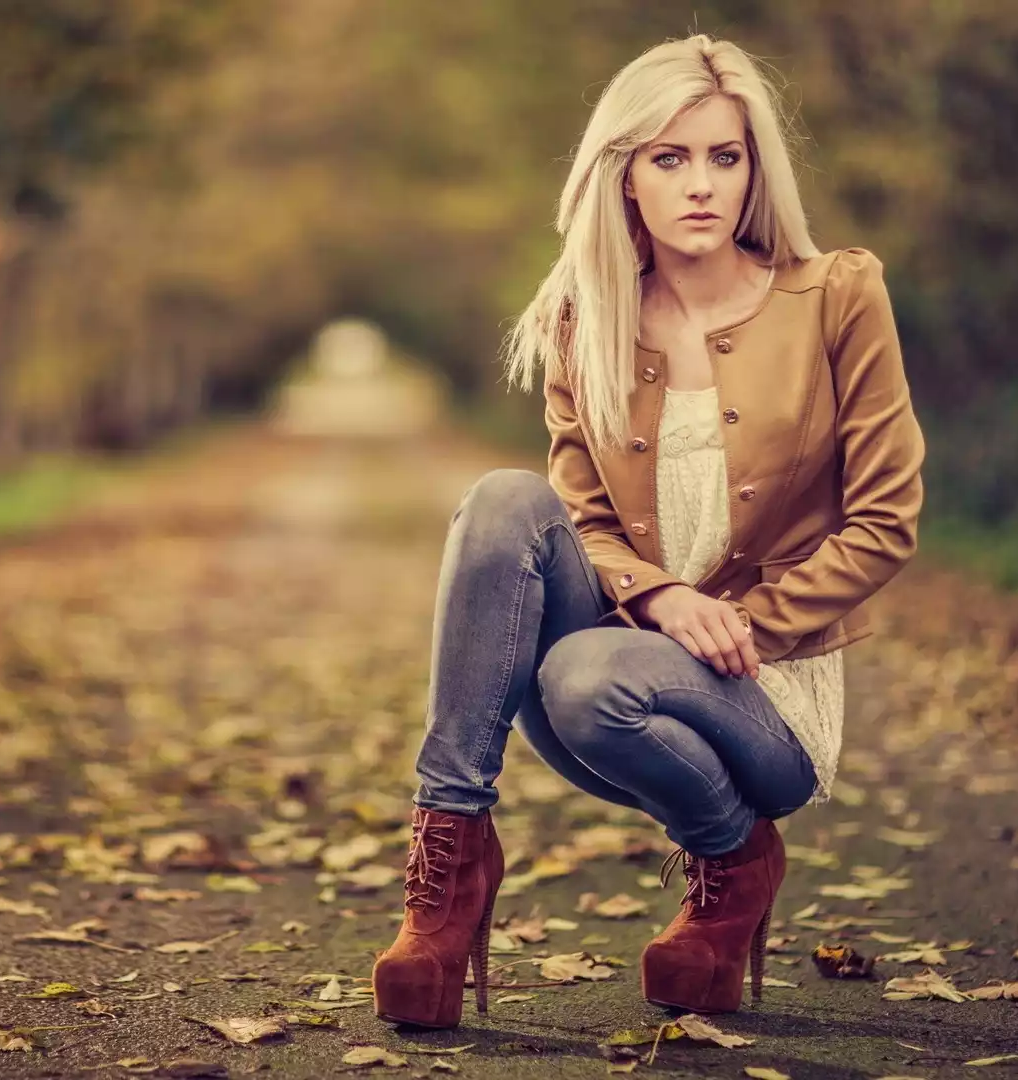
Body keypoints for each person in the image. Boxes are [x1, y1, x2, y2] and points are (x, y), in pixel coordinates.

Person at [370, 33, 926, 1027]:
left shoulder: (837, 295)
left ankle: (735, 851)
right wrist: (660, 596)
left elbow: (887, 521)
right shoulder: (587, 319)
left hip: (767, 689)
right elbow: (580, 514)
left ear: (758, 169)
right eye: (669, 159)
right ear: (623, 177)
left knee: (587, 678)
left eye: (726, 155)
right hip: (627, 640)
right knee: (504, 500)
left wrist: (750, 621)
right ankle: (450, 857)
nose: (700, 183)